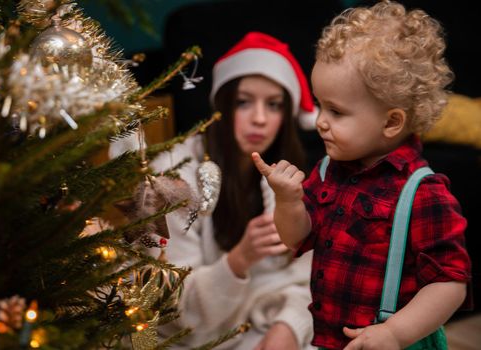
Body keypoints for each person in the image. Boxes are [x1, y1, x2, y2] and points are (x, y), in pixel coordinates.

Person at [252, 2, 472, 349]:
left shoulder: (423, 193)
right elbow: (295, 237)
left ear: (391, 122)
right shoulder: (328, 171)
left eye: (336, 111)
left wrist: (395, 332)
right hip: (330, 339)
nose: (320, 121)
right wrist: (287, 200)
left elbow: (451, 283)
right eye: (320, 105)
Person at [149, 32, 318, 349]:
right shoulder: (171, 181)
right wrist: (239, 259)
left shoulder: (285, 174)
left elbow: (309, 277)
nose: (259, 119)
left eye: (274, 105)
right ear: (222, 106)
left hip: (259, 321)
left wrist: (288, 328)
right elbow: (171, 310)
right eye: (243, 102)